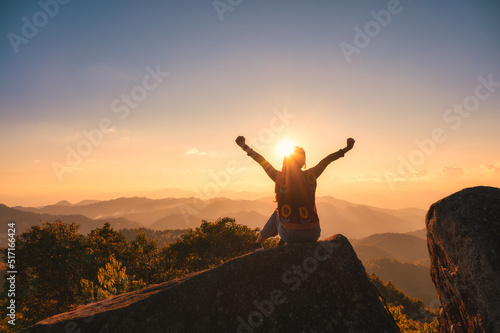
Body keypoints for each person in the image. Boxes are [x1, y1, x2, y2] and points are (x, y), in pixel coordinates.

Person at [235, 136, 355, 251]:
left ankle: (258, 243)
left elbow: (261, 160)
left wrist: (244, 146)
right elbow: (327, 160)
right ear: (302, 162)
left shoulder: (279, 177)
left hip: (291, 235)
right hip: (313, 233)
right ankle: (282, 240)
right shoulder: (311, 174)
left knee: (278, 213)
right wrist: (347, 148)